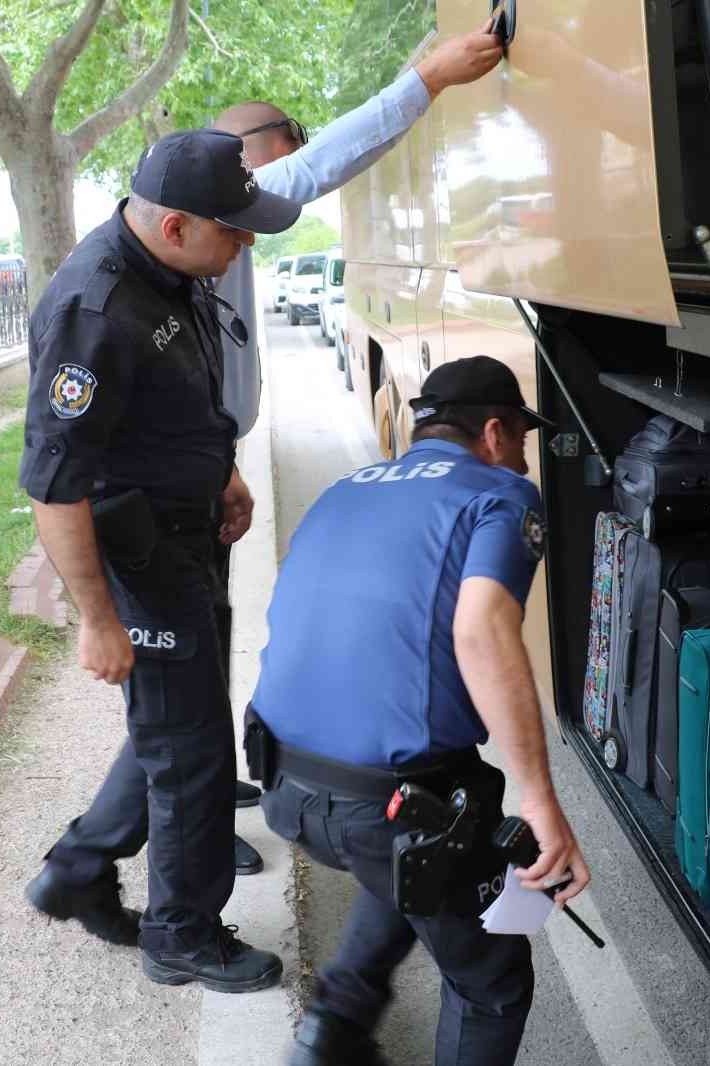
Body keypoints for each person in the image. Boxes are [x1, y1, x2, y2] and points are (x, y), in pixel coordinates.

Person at [203, 23, 506, 870]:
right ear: (250, 158)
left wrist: (222, 456)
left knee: (190, 678)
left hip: (200, 470)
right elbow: (313, 169)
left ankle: (197, 797)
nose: (268, 222)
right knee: (174, 689)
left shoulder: (207, 221)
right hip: (168, 492)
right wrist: (426, 78)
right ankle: (115, 860)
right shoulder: (214, 194)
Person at [17, 128, 300, 993]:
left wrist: (226, 475)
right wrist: (99, 621)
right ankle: (181, 934)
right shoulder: (94, 310)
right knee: (191, 751)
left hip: (188, 534)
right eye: (234, 228)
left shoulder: (170, 272)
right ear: (175, 224)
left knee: (178, 727)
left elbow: (178, 406)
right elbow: (55, 483)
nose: (244, 241)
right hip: (142, 557)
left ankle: (75, 871)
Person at [249, 357, 592, 1066]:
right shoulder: (499, 492)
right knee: (491, 982)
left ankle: (330, 1034)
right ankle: (332, 1033)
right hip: (379, 806)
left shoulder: (346, 489)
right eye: (521, 436)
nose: (523, 453)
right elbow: (482, 629)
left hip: (283, 783)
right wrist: (539, 799)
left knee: (423, 858)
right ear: (494, 431)